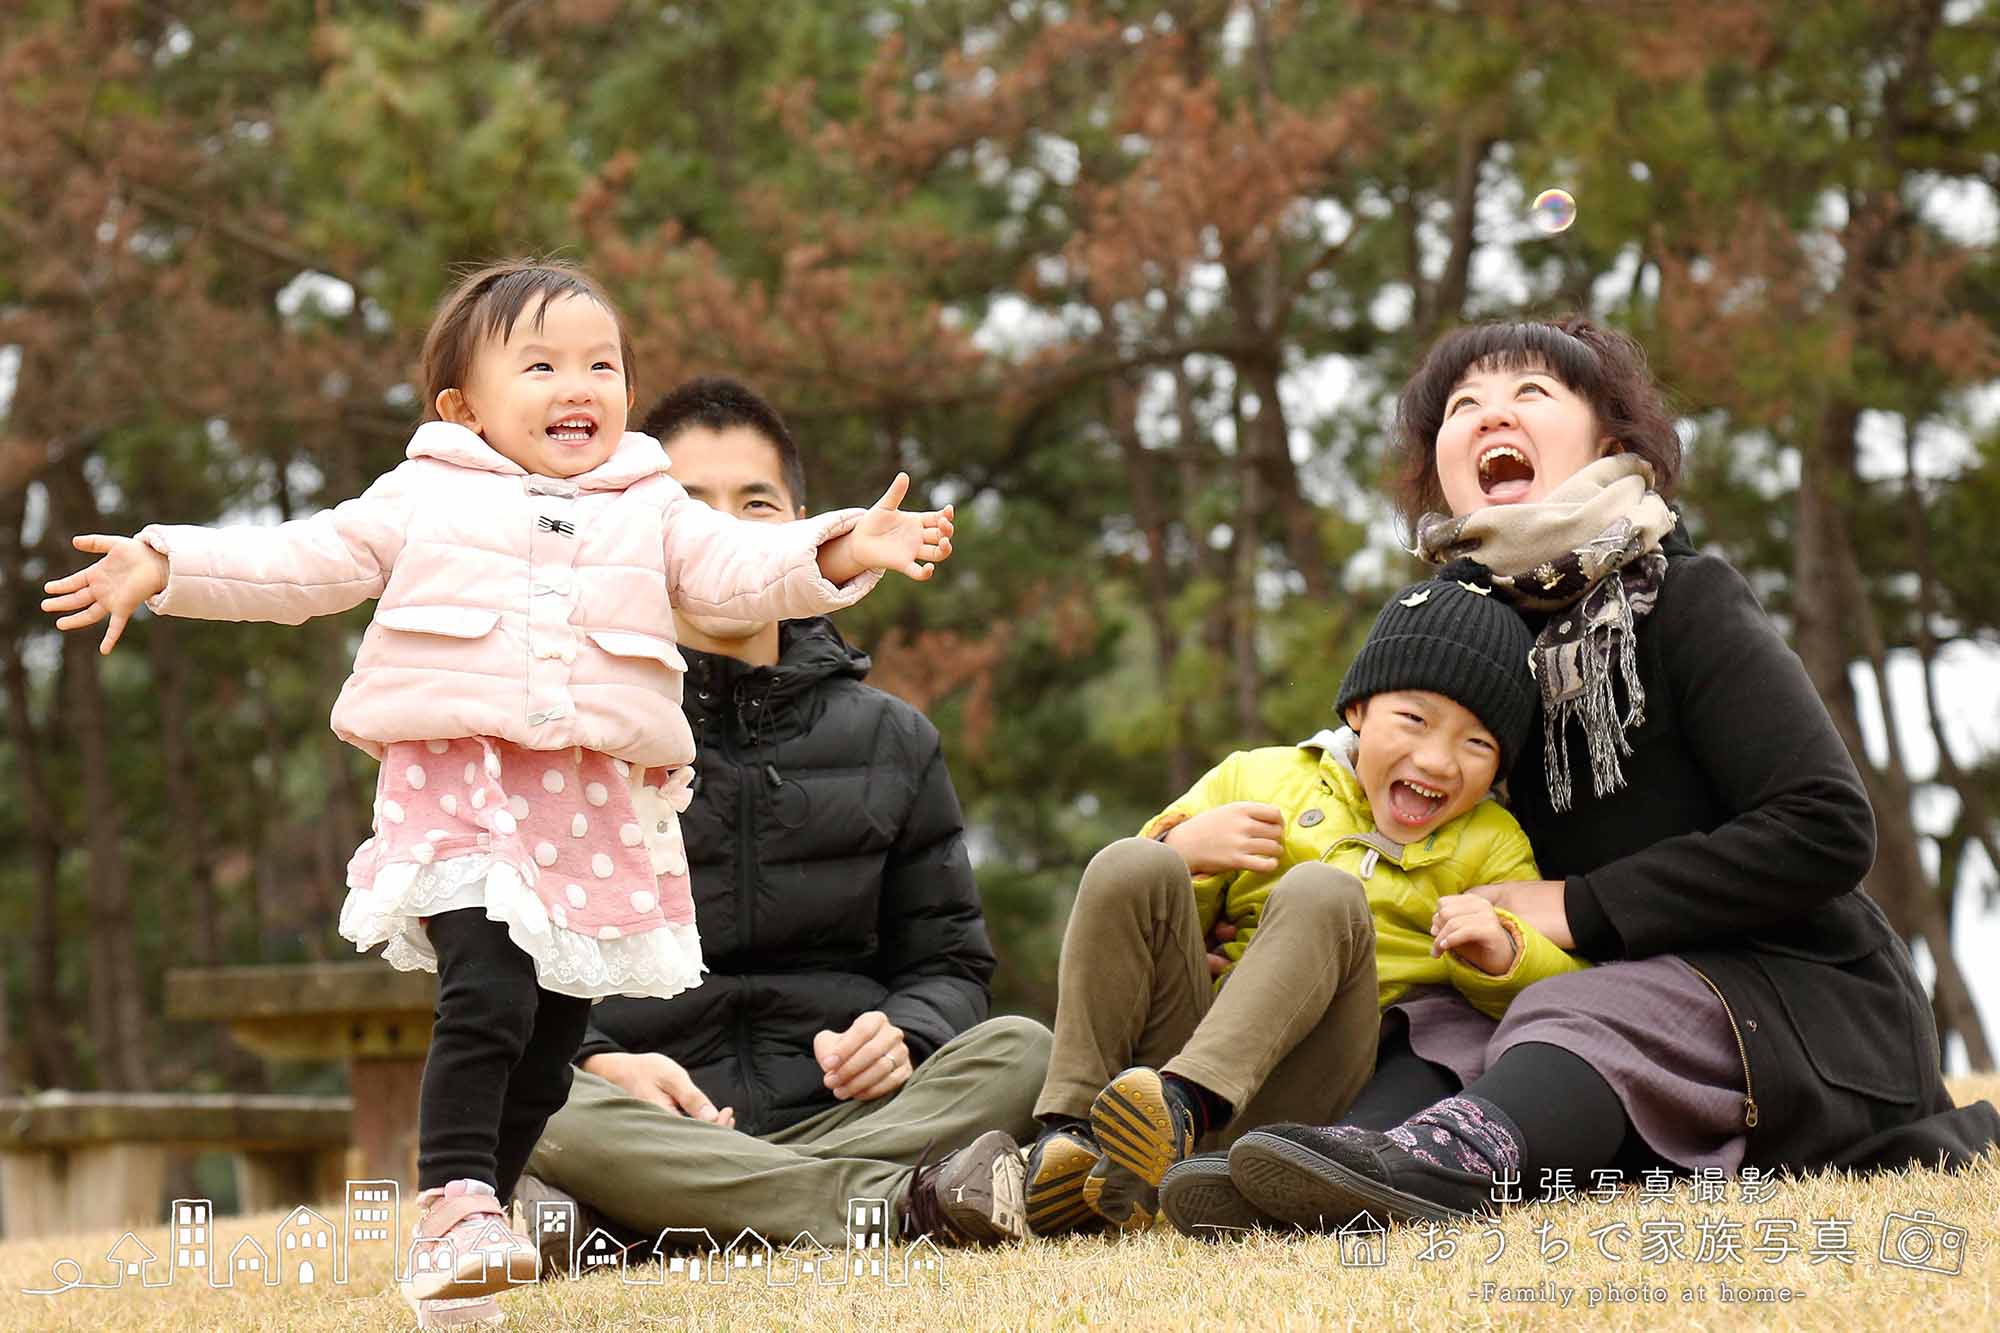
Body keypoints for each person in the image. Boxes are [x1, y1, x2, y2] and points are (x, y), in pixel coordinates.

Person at [39, 264, 955, 1325]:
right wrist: (165, 562)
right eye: (543, 365)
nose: (580, 385)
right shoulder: (424, 494)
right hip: (461, 794)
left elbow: (741, 570)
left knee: (554, 1035)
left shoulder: (648, 503)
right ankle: (454, 1202)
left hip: (588, 816)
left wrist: (842, 543)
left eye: (601, 364)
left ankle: (482, 1228)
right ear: (462, 407)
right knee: (488, 989)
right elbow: (299, 563)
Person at [1165, 316, 2000, 1235]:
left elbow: (1827, 825)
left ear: (1610, 439)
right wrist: (1245, 923)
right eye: (1463, 406)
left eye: (1530, 394)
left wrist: (1579, 905)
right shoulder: (1454, 638)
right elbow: (1369, 827)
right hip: (1563, 1008)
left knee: (1578, 996)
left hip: (1798, 1008)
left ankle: (1445, 1162)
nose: (1492, 418)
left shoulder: (1686, 600)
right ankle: (1337, 1158)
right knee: (1438, 1011)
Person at [515, 377, 1046, 1260]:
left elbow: (950, 964)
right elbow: (517, 971)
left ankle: (655, 1219)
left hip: (852, 1116)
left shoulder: (894, 738)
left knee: (1024, 1048)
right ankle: (892, 1206)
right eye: (691, 509)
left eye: (756, 504)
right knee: (532, 1092)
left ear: (805, 526)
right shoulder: (569, 732)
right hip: (659, 1119)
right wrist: (603, 1059)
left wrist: (907, 1033)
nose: (727, 530)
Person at [1023, 555, 1590, 1236]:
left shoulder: (1492, 843)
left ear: (1501, 765)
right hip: (1182, 1049)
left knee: (1323, 891)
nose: (1439, 759)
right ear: (1358, 708)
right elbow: (1142, 924)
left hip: (1320, 1079)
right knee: (1129, 862)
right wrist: (1186, 851)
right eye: (1414, 718)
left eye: (1477, 742)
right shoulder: (1262, 776)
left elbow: (1562, 997)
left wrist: (1505, 952)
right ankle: (1071, 1139)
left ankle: (1187, 1108)